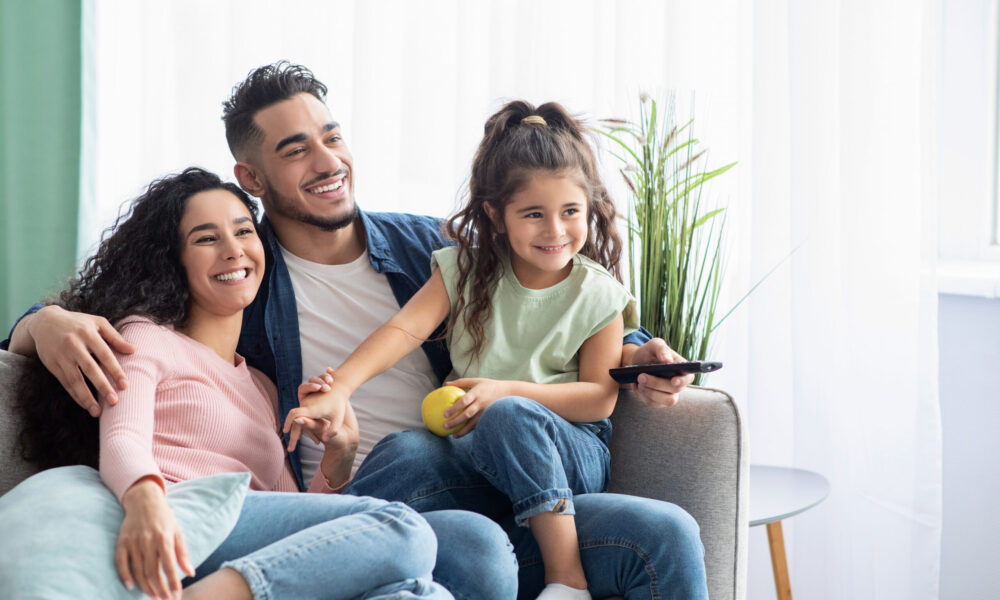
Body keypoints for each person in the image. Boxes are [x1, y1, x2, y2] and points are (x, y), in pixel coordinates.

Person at [4, 61, 705, 599]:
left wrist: (640, 353)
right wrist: (45, 323)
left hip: (500, 473)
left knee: (667, 536)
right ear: (252, 175)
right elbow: (128, 317)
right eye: (295, 150)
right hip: (385, 492)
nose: (327, 162)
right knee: (433, 478)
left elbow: (551, 296)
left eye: (331, 137)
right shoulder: (240, 275)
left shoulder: (426, 248)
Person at [14, 168, 478, 600]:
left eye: (242, 231)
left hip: (247, 542)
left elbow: (294, 517)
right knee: (404, 530)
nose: (233, 249)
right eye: (206, 238)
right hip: (180, 521)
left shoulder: (261, 385)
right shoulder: (143, 337)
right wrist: (145, 504)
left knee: (423, 592)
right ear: (171, 261)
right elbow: (122, 436)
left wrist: (337, 460)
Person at [285, 100, 639, 600]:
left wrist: (503, 393)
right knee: (403, 450)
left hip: (567, 453)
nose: (555, 230)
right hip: (476, 452)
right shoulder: (465, 269)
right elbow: (402, 330)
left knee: (512, 415)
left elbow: (599, 399)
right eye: (534, 214)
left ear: (589, 208)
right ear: (496, 214)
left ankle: (568, 578)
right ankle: (309, 561)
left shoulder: (599, 293)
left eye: (570, 212)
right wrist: (338, 386)